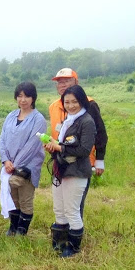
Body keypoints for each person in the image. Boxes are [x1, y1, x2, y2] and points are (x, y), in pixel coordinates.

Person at [43, 85, 96, 258]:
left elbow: (84, 150)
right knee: (59, 208)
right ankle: (60, 241)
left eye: (75, 101)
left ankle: (73, 247)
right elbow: (63, 145)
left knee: (71, 210)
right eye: (67, 102)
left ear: (82, 101)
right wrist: (52, 146)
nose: (71, 105)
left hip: (77, 171)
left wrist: (59, 147)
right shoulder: (68, 120)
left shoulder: (87, 121)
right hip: (61, 170)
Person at [49, 68, 107, 217]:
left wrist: (99, 160)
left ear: (76, 81)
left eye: (67, 81)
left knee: (74, 205)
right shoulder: (53, 107)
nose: (63, 85)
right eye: (60, 82)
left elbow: (100, 132)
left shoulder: (89, 104)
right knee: (62, 202)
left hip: (82, 160)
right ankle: (62, 234)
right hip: (61, 160)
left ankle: (74, 235)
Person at [0, 82, 47, 236]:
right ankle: (13, 227)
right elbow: (2, 140)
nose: (23, 99)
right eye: (19, 96)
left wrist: (15, 165)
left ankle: (22, 231)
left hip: (27, 166)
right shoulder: (11, 116)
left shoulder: (38, 119)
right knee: (13, 198)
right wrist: (6, 161)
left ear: (33, 98)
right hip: (9, 165)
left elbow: (32, 146)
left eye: (27, 96)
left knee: (25, 199)